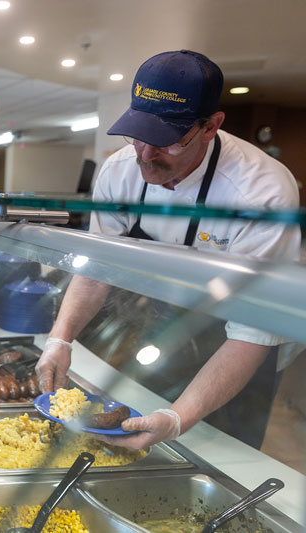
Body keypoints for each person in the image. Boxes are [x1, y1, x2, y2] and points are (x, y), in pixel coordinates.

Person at [36, 50, 301, 451]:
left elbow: (252, 332)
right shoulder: (120, 170)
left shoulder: (261, 192)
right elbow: (97, 268)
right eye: (138, 136)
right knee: (140, 435)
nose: (145, 156)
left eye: (166, 141)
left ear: (211, 126)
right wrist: (61, 338)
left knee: (222, 455)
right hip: (163, 332)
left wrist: (180, 418)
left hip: (241, 348)